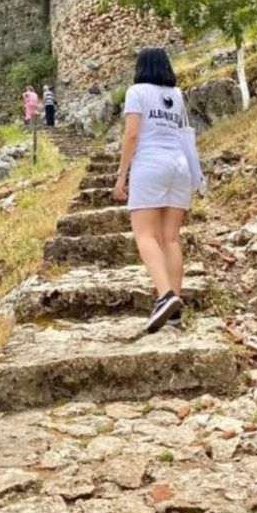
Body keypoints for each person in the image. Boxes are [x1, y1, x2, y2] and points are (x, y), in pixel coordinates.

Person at [112, 47, 192, 332]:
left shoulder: (137, 91)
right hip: (179, 167)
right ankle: (174, 311)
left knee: (145, 235)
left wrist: (122, 176)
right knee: (170, 239)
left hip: (151, 164)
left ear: (141, 66)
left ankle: (165, 296)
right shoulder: (177, 96)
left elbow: (132, 134)